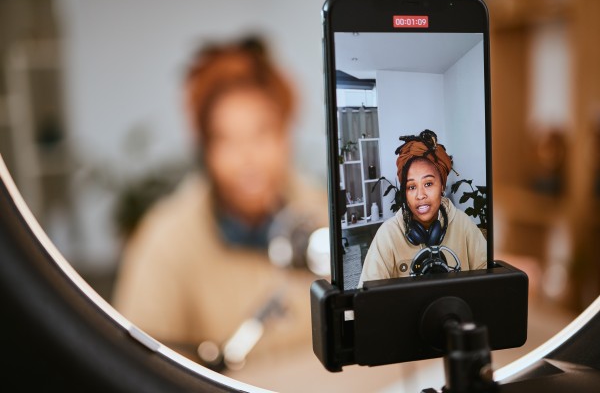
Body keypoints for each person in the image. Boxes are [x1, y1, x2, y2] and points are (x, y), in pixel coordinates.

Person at [112, 36, 327, 370]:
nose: (248, 158)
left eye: (262, 133)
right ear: (206, 150)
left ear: (286, 134)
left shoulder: (328, 215)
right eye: (227, 139)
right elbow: (136, 365)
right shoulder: (165, 240)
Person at [358, 130, 487, 286]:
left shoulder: (464, 225)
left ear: (442, 187)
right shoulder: (388, 235)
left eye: (428, 184)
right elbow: (365, 296)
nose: (420, 195)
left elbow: (489, 281)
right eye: (411, 187)